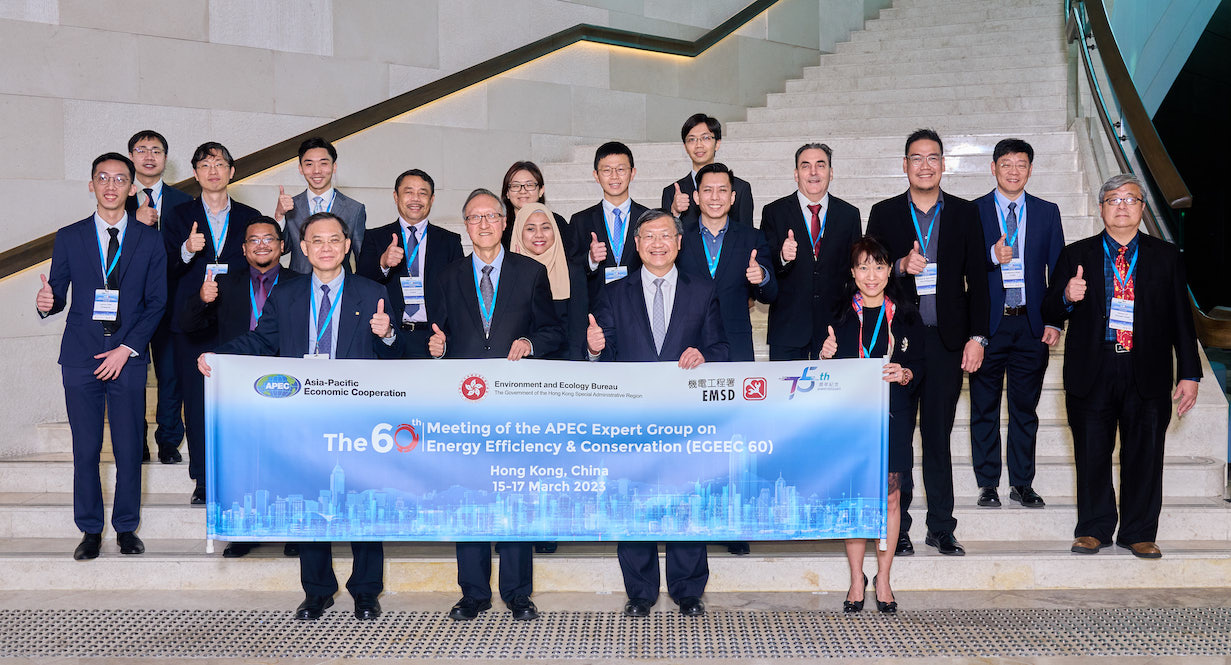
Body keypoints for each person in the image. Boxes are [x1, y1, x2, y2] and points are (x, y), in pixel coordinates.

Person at [198, 212, 399, 619]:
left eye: (334, 240)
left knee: (362, 500)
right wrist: (220, 356)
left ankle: (365, 590)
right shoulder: (287, 294)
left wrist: (388, 334)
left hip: (356, 415)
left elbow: (395, 359)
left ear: (347, 246)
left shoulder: (372, 292)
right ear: (304, 248)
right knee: (310, 500)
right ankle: (317, 590)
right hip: (303, 416)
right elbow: (261, 340)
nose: (326, 248)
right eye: (316, 241)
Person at [1042, 174, 1201, 559]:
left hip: (1146, 368)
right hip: (1092, 369)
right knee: (1092, 453)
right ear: (1101, 209)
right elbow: (1049, 311)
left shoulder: (1166, 256)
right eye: (1113, 199)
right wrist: (1067, 295)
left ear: (1142, 208)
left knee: (1145, 453)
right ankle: (1093, 529)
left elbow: (1182, 318)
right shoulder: (1076, 254)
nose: (1122, 206)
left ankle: (1139, 532)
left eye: (1130, 199)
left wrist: (1190, 372)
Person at [425, 189, 563, 622]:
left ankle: (518, 593)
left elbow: (552, 331)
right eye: (474, 217)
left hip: (515, 404)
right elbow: (436, 334)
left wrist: (530, 342)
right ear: (465, 225)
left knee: (516, 494)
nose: (483, 224)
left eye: (491, 216)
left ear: (505, 223)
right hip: (465, 405)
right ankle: (473, 593)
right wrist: (436, 347)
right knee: (468, 496)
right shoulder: (447, 276)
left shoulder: (531, 271)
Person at [587, 209, 728, 618]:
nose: (657, 243)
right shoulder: (615, 293)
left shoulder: (703, 290)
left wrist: (704, 355)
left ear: (679, 242)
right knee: (634, 499)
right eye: (648, 236)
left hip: (685, 419)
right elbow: (605, 356)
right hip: (632, 420)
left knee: (687, 499)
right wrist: (594, 348)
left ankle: (688, 589)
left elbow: (721, 348)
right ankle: (640, 590)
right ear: (636, 244)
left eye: (665, 235)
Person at [36, 152, 167, 560]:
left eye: (120, 179)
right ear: (91, 185)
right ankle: (90, 529)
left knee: (128, 448)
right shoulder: (70, 236)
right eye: (103, 178)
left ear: (132, 188)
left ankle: (126, 528)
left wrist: (125, 350)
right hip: (80, 356)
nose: (111, 186)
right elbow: (58, 292)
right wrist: (47, 302)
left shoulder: (150, 239)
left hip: (127, 356)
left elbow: (156, 302)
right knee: (86, 448)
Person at [866, 129, 989, 557]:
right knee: (898, 438)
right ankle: (898, 528)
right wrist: (900, 265)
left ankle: (941, 527)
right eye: (916, 158)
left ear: (943, 164)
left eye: (932, 157)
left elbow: (980, 280)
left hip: (946, 343)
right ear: (905, 165)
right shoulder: (884, 213)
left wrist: (977, 337)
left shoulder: (965, 213)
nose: (925, 165)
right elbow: (869, 272)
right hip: (898, 343)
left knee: (937, 435)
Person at [179, 216, 302, 559]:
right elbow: (188, 326)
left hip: (287, 382)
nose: (262, 245)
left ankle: (293, 531)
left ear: (282, 245)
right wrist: (202, 299)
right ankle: (245, 532)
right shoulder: (225, 284)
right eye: (254, 240)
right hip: (239, 384)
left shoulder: (300, 283)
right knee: (246, 461)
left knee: (287, 458)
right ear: (244, 249)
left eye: (269, 239)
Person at [820, 236, 924, 614]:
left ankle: (883, 578)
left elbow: (921, 366)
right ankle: (855, 579)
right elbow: (820, 373)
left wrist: (906, 372)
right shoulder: (838, 315)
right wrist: (824, 355)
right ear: (853, 272)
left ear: (889, 270)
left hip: (893, 415)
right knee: (854, 498)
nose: (871, 275)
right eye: (863, 267)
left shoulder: (907, 314)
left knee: (891, 497)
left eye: (879, 266)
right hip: (850, 419)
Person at [162, 142, 263, 505]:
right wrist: (187, 250)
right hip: (192, 321)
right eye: (205, 165)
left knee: (240, 404)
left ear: (232, 171)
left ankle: (241, 474)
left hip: (238, 322)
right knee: (197, 404)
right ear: (195, 173)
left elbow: (261, 263)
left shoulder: (250, 216)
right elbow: (164, 268)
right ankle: (203, 480)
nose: (213, 171)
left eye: (219, 164)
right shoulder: (178, 216)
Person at [969, 139, 1065, 509]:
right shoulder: (973, 211)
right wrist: (990, 256)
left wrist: (1055, 319)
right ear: (993, 168)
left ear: (1030, 169)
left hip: (1030, 325)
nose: (1013, 171)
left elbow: (1057, 271)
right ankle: (988, 484)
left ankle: (1022, 483)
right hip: (988, 326)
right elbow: (962, 267)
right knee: (984, 408)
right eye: (1006, 164)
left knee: (1025, 409)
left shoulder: (1046, 212)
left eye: (1021, 164)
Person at [124, 130, 192, 465]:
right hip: (130, 304)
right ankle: (136, 441)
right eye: (142, 150)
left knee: (171, 374)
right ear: (131, 157)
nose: (149, 156)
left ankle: (168, 440)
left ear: (166, 158)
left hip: (173, 299)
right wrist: (134, 223)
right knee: (132, 374)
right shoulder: (118, 199)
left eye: (156, 150)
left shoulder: (185, 201)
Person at [760, 143, 862, 362]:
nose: (813, 172)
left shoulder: (849, 215)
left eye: (820, 165)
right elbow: (764, 267)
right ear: (796, 174)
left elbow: (854, 271)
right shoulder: (774, 212)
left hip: (835, 329)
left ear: (831, 173)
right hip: (788, 329)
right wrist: (782, 257)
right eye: (806, 166)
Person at [356, 169, 463, 358]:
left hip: (434, 339)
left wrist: (447, 338)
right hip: (389, 336)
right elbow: (360, 284)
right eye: (408, 192)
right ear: (396, 197)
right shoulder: (375, 237)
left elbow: (458, 295)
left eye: (423, 193)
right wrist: (383, 263)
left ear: (432, 199)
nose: (416, 199)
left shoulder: (449, 241)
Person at [677, 162, 777, 362]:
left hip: (736, 344)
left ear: (732, 197)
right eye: (707, 190)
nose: (715, 197)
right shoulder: (679, 238)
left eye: (722, 190)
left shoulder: (752, 238)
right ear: (696, 197)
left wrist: (762, 277)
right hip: (688, 345)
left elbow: (770, 294)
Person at [569, 142, 650, 302]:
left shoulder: (648, 218)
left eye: (621, 169)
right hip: (597, 307)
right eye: (606, 170)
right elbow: (570, 268)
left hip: (640, 304)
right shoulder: (580, 221)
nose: (614, 176)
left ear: (632, 173)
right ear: (596, 176)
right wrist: (591, 259)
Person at [274, 137, 367, 272]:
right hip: (299, 281)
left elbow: (361, 257)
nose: (316, 171)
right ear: (300, 169)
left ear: (334, 167)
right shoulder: (290, 206)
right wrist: (279, 216)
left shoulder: (354, 209)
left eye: (323, 163)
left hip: (339, 282)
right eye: (309, 164)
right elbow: (282, 249)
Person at [510, 202, 587, 359]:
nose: (539, 234)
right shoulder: (507, 273)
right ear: (518, 232)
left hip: (564, 364)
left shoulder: (573, 272)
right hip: (518, 363)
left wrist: (576, 367)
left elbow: (578, 330)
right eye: (530, 229)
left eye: (546, 227)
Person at [660, 113, 754, 227]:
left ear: (717, 144)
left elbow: (747, 233)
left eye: (705, 138)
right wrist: (675, 212)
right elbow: (665, 234)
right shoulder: (671, 192)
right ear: (685, 147)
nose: (698, 145)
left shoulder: (740, 188)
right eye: (692, 139)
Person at [499, 160, 574, 255]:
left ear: (541, 190)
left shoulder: (557, 223)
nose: (523, 191)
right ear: (507, 193)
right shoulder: (500, 227)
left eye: (529, 185)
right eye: (515, 186)